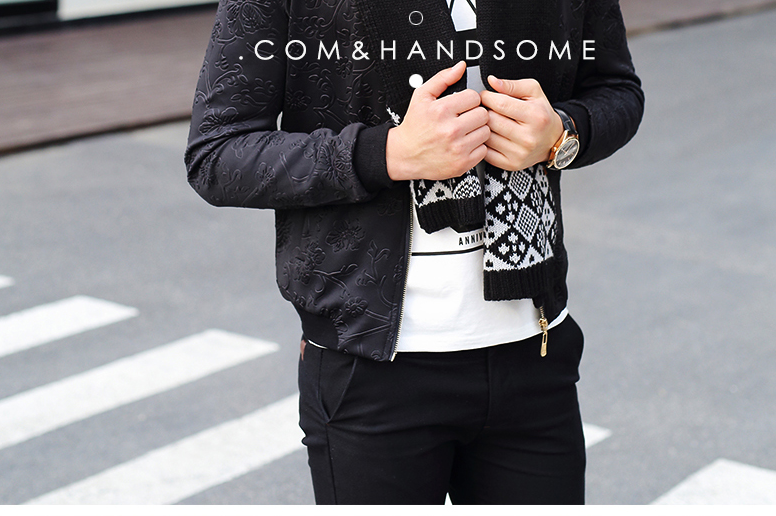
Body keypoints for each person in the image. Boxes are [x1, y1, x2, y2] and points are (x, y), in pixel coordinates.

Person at [185, 0, 644, 505]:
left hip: (533, 354)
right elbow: (217, 154)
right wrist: (387, 153)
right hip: (370, 368)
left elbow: (616, 89)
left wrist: (562, 134)